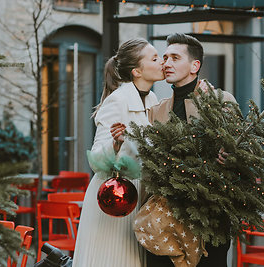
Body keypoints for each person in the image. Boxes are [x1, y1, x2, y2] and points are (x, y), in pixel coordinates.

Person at [72, 38, 164, 267]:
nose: (161, 61)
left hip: (141, 196)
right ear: (136, 71)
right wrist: (116, 145)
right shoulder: (117, 100)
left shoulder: (152, 99)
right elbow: (96, 160)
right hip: (117, 198)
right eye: (154, 58)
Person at [147, 33, 236, 267]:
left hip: (210, 215)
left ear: (195, 65)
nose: (166, 64)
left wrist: (228, 156)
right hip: (168, 215)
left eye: (175, 58)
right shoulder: (157, 111)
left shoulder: (221, 100)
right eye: (165, 58)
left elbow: (241, 149)